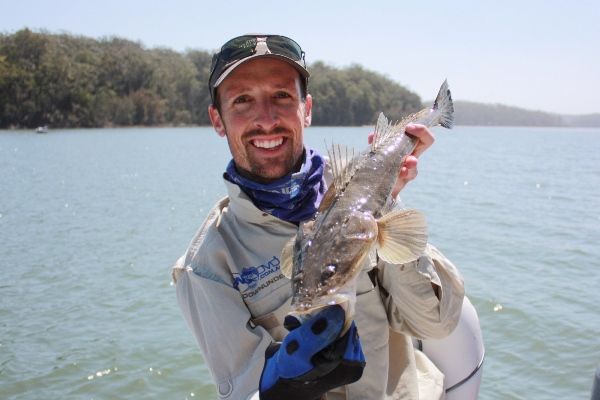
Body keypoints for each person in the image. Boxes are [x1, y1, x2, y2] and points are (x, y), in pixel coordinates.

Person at [172, 34, 465, 400]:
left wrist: (387, 203)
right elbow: (242, 391)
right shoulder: (207, 266)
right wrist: (282, 383)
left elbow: (435, 324)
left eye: (282, 95)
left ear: (306, 109)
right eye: (243, 100)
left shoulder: (363, 193)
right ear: (218, 120)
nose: (266, 119)